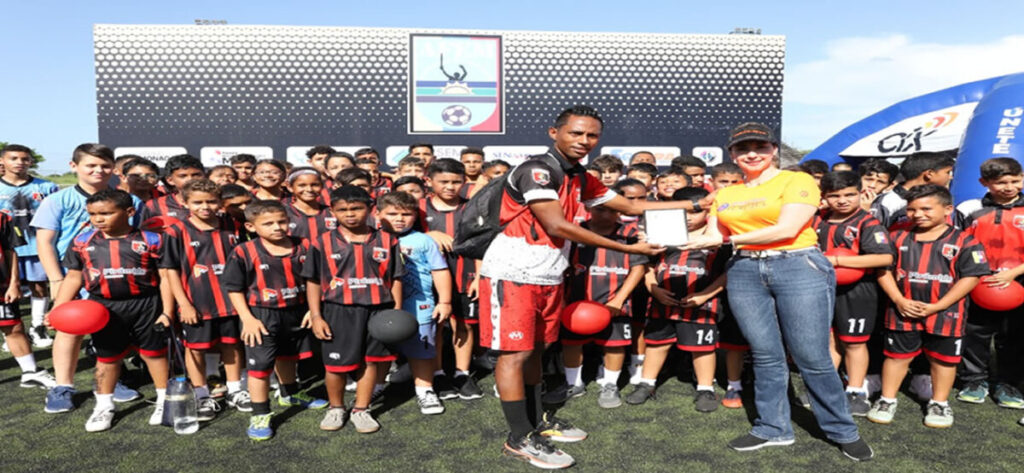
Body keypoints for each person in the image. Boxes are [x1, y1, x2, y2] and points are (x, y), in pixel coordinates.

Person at [479, 105, 706, 469]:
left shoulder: (581, 177)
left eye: (592, 135)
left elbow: (629, 205)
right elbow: (557, 226)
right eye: (576, 133)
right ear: (554, 133)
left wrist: (694, 201)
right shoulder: (537, 170)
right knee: (514, 355)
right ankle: (519, 437)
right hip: (513, 273)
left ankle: (537, 422)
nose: (584, 141)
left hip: (549, 274)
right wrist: (628, 249)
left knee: (537, 351)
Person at [681, 122, 872, 461]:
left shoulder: (796, 180)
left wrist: (727, 240)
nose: (752, 153)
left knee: (812, 356)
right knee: (765, 354)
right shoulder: (726, 193)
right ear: (732, 154)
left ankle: (843, 430)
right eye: (743, 148)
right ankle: (773, 427)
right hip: (744, 270)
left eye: (760, 147)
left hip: (797, 265)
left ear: (773, 150)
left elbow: (787, 228)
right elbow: (711, 234)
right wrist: (669, 238)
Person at [35, 143, 145, 414]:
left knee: (112, 329)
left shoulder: (131, 201)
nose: (98, 170)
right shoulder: (57, 200)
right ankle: (62, 386)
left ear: (114, 168)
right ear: (74, 166)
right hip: (72, 276)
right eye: (91, 165)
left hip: (116, 277)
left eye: (105, 165)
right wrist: (56, 280)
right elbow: (45, 242)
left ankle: (111, 380)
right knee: (69, 330)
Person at [52, 189, 172, 432]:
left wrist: (167, 311)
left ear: (129, 212)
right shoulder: (82, 241)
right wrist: (58, 309)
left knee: (154, 353)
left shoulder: (153, 240)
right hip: (103, 307)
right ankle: (104, 405)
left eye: (106, 213)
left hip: (146, 304)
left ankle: (164, 400)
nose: (98, 219)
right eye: (92, 214)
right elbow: (73, 277)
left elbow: (166, 277)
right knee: (107, 357)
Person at [868, 185, 988, 428]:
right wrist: (899, 300)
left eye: (926, 209)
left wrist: (939, 305)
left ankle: (939, 403)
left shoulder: (965, 241)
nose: (918, 214)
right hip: (902, 311)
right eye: (911, 209)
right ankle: (887, 399)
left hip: (947, 313)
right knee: (896, 356)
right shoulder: (896, 237)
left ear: (948, 209)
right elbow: (883, 270)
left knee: (944, 360)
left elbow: (971, 277)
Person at [303, 186, 405, 433]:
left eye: (356, 208)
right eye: (343, 210)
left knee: (369, 361)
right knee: (335, 365)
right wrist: (316, 315)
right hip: (338, 311)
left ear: (370, 209)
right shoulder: (322, 242)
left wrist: (396, 311)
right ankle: (336, 408)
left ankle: (361, 409)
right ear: (332, 212)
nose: (350, 214)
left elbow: (396, 278)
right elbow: (313, 281)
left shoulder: (388, 240)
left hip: (378, 310)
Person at [223, 199, 326, 440]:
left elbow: (316, 280)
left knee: (289, 355)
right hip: (261, 315)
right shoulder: (243, 251)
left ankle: (290, 393)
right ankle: (260, 413)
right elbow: (234, 288)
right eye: (268, 223)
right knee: (260, 366)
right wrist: (247, 318)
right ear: (251, 226)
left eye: (282, 221)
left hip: (298, 311)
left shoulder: (305, 245)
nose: (277, 227)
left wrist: (313, 309)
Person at [627, 187, 724, 412]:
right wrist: (653, 288)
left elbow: (727, 273)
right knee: (656, 343)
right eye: (683, 211)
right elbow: (646, 265)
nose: (689, 217)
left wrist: (705, 295)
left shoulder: (717, 237)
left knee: (702, 347)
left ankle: (705, 388)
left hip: (701, 305)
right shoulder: (660, 234)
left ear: (708, 212)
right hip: (662, 302)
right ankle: (646, 383)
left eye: (695, 212)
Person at [161, 179, 249, 421]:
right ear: (185, 202)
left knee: (232, 344)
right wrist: (184, 304)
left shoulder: (232, 225)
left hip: (230, 300)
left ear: (220, 202)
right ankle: (201, 394)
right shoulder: (175, 231)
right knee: (196, 349)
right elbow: (170, 272)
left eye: (211, 201)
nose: (205, 207)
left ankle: (235, 390)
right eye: (198, 202)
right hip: (197, 302)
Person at [814, 171, 893, 416]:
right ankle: (827, 388)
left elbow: (884, 257)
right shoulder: (816, 220)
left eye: (849, 194)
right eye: (834, 196)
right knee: (828, 340)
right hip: (820, 287)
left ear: (861, 193)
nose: (842, 200)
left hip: (857, 291)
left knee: (854, 342)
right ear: (824, 197)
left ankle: (856, 391)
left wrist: (837, 261)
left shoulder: (868, 222)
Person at [562, 196, 647, 409]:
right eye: (600, 210)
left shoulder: (630, 235)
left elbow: (638, 268)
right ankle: (573, 383)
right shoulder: (574, 232)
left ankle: (610, 384)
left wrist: (619, 300)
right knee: (571, 343)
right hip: (577, 302)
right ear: (589, 208)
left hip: (615, 303)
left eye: (612, 210)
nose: (606, 215)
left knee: (615, 345)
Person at [954, 157, 1024, 408]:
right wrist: (975, 274)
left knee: (1014, 335)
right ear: (984, 182)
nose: (1009, 187)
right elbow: (958, 242)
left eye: (1015, 180)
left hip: (1018, 280)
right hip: (978, 280)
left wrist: (1013, 273)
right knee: (974, 333)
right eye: (1001, 182)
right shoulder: (969, 208)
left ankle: (1008, 384)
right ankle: (974, 380)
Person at [377, 191, 453, 414]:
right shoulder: (372, 239)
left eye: (406, 214)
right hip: (380, 306)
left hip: (419, 306)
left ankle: (425, 390)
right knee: (379, 350)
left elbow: (439, 270)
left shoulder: (423, 240)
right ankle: (376, 386)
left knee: (421, 349)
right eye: (392, 214)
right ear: (377, 214)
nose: (399, 219)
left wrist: (445, 301)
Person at [419, 159, 484, 400]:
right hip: (428, 280)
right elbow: (402, 235)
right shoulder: (418, 208)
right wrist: (429, 234)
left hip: (465, 276)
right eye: (443, 181)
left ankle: (462, 373)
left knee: (464, 325)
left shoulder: (472, 208)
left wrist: (479, 276)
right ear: (429, 181)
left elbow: (481, 244)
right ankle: (437, 373)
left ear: (464, 182)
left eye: (456, 182)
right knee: (434, 325)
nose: (449, 186)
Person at [0, 144, 59, 347]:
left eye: (25, 159)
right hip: (6, 249)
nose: (20, 162)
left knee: (39, 286)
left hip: (36, 246)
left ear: (31, 162)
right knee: (7, 289)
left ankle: (37, 327)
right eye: (14, 158)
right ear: (2, 161)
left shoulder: (47, 187)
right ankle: (11, 332)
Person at [0, 209, 56, 389]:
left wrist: (14, 283)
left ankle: (30, 372)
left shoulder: (2, 217)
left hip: (1, 286)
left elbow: (10, 250)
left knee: (13, 327)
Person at [140, 154, 206, 228]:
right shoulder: (154, 205)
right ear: (170, 180)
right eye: (183, 176)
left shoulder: (215, 201)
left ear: (204, 176)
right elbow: (142, 231)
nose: (190, 179)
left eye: (196, 175)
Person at [284, 167, 337, 243]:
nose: (309, 189)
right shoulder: (284, 213)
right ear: (290, 187)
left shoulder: (332, 212)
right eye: (302, 185)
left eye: (315, 185)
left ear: (322, 186)